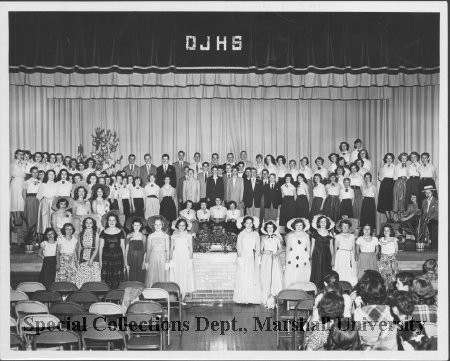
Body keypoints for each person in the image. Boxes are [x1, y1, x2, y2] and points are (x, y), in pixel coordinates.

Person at [353, 271, 397, 350]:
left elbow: (358, 334)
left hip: (365, 348)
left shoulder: (358, 312)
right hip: (385, 348)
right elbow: (390, 332)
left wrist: (358, 307)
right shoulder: (389, 310)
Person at [233, 216, 261, 304]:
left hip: (252, 257)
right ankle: (243, 298)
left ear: (253, 224)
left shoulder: (256, 234)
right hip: (244, 257)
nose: (249, 225)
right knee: (244, 275)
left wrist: (258, 258)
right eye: (247, 223)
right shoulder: (241, 234)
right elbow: (239, 247)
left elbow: (258, 247)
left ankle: (252, 298)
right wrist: (240, 258)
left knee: (253, 276)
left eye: (250, 223)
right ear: (244, 224)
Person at [169, 218, 196, 298]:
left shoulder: (188, 235)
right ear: (177, 226)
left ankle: (183, 296)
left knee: (185, 274)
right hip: (176, 255)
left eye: (183, 225)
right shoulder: (174, 235)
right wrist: (170, 260)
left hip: (185, 256)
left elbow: (191, 248)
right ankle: (178, 294)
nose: (181, 227)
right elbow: (171, 248)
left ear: (186, 226)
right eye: (180, 225)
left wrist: (191, 260)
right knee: (177, 273)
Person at [259, 220, 284, 305]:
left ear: (274, 228)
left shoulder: (277, 238)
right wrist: (265, 252)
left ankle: (275, 297)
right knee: (266, 276)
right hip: (266, 259)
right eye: (268, 227)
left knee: (275, 276)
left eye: (271, 227)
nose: (270, 229)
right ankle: (266, 297)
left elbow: (280, 249)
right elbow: (260, 250)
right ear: (266, 229)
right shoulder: (263, 238)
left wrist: (276, 254)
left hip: (274, 259)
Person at [99, 213, 126, 288]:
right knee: (107, 279)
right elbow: (100, 247)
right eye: (110, 220)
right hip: (106, 259)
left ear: (116, 221)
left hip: (118, 258)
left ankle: (117, 297)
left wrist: (125, 261)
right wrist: (100, 261)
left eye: (113, 220)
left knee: (118, 279)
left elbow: (123, 247)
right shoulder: (103, 232)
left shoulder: (121, 232)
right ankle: (107, 297)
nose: (111, 222)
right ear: (107, 221)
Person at [285, 218, 312, 287]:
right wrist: (286, 258)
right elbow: (288, 247)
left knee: (302, 271)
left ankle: (302, 288)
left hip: (303, 256)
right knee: (293, 272)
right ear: (294, 226)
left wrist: (309, 257)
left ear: (303, 226)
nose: (299, 227)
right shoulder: (290, 235)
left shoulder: (306, 235)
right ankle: (292, 288)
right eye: (297, 225)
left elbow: (308, 248)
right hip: (293, 255)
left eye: (300, 225)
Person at [75, 217, 101, 288]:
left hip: (93, 257)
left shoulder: (96, 234)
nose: (88, 224)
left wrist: (91, 260)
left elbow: (96, 248)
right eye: (87, 222)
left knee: (93, 277)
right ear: (84, 224)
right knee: (82, 277)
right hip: (83, 257)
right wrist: (78, 260)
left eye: (90, 223)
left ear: (93, 224)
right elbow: (79, 247)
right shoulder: (80, 234)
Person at [309, 215, 335, 289]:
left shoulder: (330, 233)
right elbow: (312, 245)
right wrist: (310, 257)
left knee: (326, 272)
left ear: (327, 223)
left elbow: (331, 247)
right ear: (318, 223)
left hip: (327, 256)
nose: (323, 223)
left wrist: (333, 258)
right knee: (317, 272)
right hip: (317, 255)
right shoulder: (315, 233)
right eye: (321, 221)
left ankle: (326, 289)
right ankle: (316, 289)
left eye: (325, 221)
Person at [145, 216, 170, 288]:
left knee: (162, 275)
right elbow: (148, 249)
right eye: (156, 224)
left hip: (163, 257)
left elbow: (167, 249)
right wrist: (147, 262)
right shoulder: (150, 236)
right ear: (154, 226)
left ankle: (162, 292)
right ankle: (153, 293)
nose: (158, 226)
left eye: (159, 224)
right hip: (153, 257)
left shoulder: (166, 236)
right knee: (152, 275)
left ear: (162, 225)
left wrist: (167, 261)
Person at [333, 219, 358, 286]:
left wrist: (354, 259)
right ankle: (340, 285)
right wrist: (333, 260)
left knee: (350, 270)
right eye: (343, 226)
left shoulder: (352, 236)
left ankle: (350, 285)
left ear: (349, 227)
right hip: (340, 255)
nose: (345, 228)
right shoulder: (338, 236)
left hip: (349, 255)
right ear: (341, 227)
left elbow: (354, 249)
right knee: (341, 270)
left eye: (346, 226)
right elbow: (335, 249)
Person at [36, 169, 58, 234]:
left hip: (54, 203)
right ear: (47, 175)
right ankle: (45, 236)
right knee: (45, 220)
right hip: (45, 203)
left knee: (53, 220)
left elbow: (57, 195)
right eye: (50, 174)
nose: (52, 176)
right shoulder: (43, 184)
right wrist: (43, 203)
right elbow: (39, 196)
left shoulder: (56, 184)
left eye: (53, 174)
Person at [125, 217, 147, 282]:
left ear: (140, 226)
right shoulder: (129, 235)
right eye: (135, 225)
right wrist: (126, 261)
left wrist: (144, 262)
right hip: (131, 258)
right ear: (132, 226)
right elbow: (126, 249)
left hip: (140, 259)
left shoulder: (143, 236)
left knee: (140, 277)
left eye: (138, 225)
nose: (136, 227)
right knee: (131, 277)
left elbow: (145, 251)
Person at [378, 224, 399, 289]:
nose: (386, 232)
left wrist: (392, 257)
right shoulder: (381, 239)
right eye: (385, 230)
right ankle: (385, 288)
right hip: (383, 259)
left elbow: (396, 249)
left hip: (391, 259)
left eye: (388, 230)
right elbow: (380, 249)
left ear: (391, 232)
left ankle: (392, 288)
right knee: (384, 274)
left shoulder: (394, 239)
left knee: (392, 275)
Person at [377, 153, 396, 222]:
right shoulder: (382, 168)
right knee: (385, 201)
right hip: (384, 185)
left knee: (392, 201)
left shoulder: (395, 167)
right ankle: (388, 218)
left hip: (393, 183)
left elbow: (396, 176)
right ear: (385, 159)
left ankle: (392, 217)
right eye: (387, 158)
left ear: (392, 159)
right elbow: (380, 178)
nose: (389, 160)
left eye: (390, 158)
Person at [22, 166, 41, 232]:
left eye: (36, 172)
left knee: (37, 216)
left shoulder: (40, 182)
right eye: (33, 172)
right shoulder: (27, 182)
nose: (35, 174)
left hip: (38, 200)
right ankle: (30, 235)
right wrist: (26, 201)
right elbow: (23, 193)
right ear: (31, 173)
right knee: (30, 217)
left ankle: (36, 235)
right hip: (30, 199)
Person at [10, 149, 26, 223]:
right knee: (15, 199)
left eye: (22, 154)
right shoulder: (12, 163)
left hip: (22, 182)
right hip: (15, 182)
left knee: (21, 199)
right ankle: (16, 219)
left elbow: (25, 174)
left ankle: (19, 219)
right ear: (16, 155)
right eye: (19, 154)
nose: (21, 156)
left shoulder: (25, 163)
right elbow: (12, 174)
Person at [393, 152, 409, 221]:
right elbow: (394, 176)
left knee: (405, 199)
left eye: (405, 158)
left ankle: (404, 217)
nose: (404, 159)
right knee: (399, 199)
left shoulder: (409, 166)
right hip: (399, 183)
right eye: (402, 158)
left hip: (406, 182)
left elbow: (409, 175)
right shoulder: (396, 166)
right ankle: (399, 218)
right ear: (400, 158)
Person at [421, 185, 438, 251]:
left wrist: (428, 218)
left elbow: (436, 212)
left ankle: (434, 246)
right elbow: (424, 213)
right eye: (426, 193)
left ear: (432, 193)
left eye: (429, 192)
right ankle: (422, 243)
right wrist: (424, 218)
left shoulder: (436, 200)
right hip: (427, 218)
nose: (427, 194)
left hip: (435, 218)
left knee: (433, 225)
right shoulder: (424, 201)